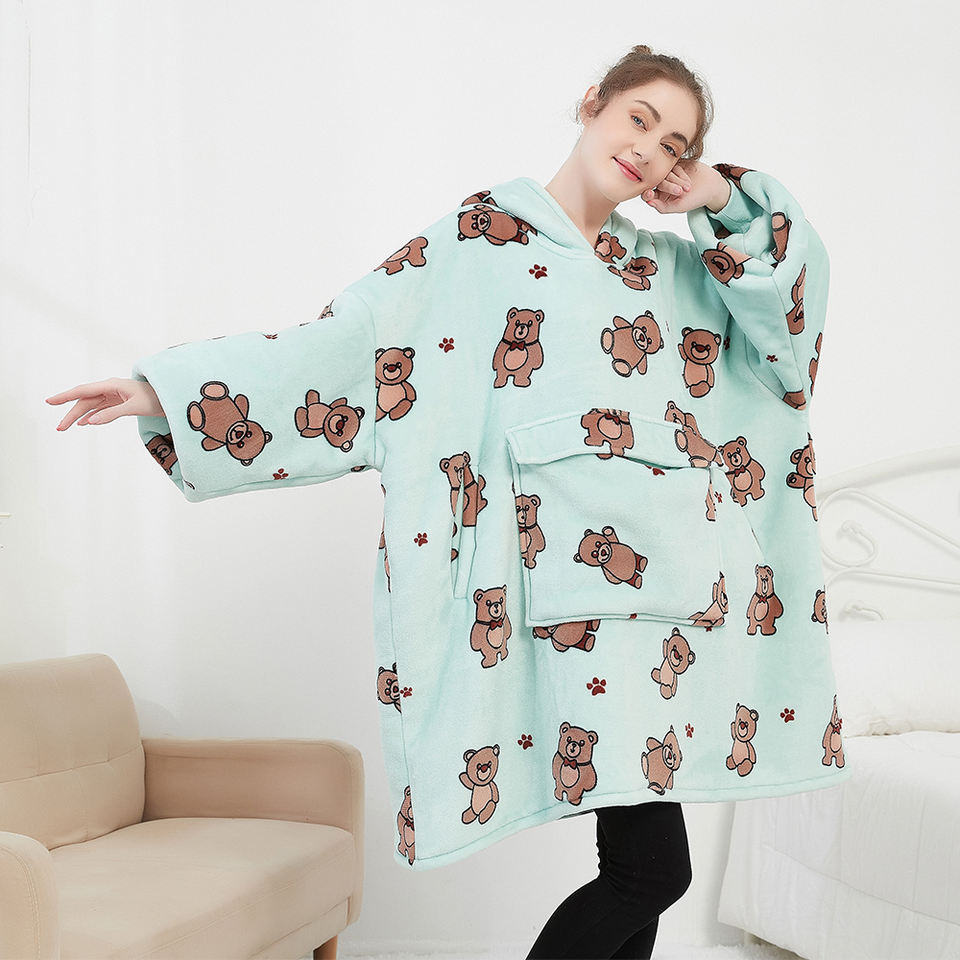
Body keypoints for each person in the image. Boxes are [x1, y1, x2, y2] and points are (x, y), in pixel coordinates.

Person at [47, 44, 848, 960]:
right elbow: (351, 345)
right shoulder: (477, 244)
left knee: (644, 875)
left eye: (674, 145)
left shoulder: (671, 272)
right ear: (592, 103)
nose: (649, 150)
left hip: (662, 601)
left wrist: (718, 198)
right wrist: (166, 390)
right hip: (557, 599)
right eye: (639, 119)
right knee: (650, 872)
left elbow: (783, 336)